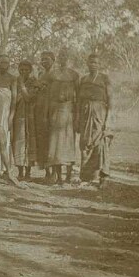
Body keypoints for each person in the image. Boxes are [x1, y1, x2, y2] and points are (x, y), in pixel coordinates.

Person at [77, 54, 112, 187]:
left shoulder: (104, 78)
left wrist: (108, 120)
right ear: (87, 63)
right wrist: (77, 118)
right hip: (85, 113)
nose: (93, 65)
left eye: (96, 63)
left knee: (100, 142)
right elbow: (79, 101)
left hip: (100, 113)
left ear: (99, 64)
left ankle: (102, 176)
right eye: (91, 62)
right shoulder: (84, 79)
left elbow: (110, 100)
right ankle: (86, 177)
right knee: (85, 143)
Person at [46, 50, 80, 185]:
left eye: (66, 56)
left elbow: (78, 97)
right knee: (55, 143)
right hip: (55, 109)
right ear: (58, 59)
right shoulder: (53, 75)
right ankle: (58, 176)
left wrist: (76, 115)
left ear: (70, 59)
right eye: (61, 56)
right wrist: (47, 113)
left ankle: (68, 176)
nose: (63, 59)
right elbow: (48, 95)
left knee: (68, 143)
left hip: (69, 110)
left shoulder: (74, 75)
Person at [12, 60, 41, 181]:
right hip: (18, 115)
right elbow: (13, 98)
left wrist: (22, 87)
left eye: (26, 70)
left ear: (30, 70)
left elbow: (29, 98)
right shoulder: (15, 80)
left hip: (31, 115)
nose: (23, 72)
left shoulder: (34, 81)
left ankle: (28, 172)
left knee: (30, 142)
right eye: (21, 69)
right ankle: (20, 172)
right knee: (19, 141)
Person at [34, 52, 54, 182]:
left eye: (47, 59)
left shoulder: (55, 74)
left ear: (53, 60)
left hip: (51, 110)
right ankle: (47, 171)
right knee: (42, 140)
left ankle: (54, 172)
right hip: (39, 109)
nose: (44, 62)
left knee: (51, 140)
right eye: (42, 60)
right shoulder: (40, 74)